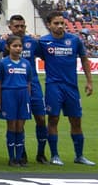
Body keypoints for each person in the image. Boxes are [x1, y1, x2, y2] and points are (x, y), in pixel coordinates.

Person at [38, 12, 95, 166]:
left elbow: (84, 59)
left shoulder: (74, 40)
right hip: (53, 86)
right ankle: (55, 155)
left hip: (71, 87)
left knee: (76, 120)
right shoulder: (43, 42)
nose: (60, 26)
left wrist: (89, 82)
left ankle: (79, 156)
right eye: (56, 23)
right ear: (49, 25)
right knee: (53, 119)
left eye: (62, 23)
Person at [0, 14, 50, 163]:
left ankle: (41, 153)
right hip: (12, 89)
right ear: (10, 27)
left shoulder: (33, 41)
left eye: (22, 26)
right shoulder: (4, 42)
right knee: (17, 122)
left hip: (32, 85)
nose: (20, 29)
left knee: (41, 119)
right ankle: (20, 153)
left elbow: (47, 56)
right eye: (16, 26)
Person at [0, 34, 33, 167]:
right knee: (11, 126)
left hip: (23, 96)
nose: (18, 48)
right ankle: (12, 158)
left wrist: (28, 98)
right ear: (8, 47)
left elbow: (28, 82)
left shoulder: (26, 63)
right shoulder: (3, 63)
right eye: (15, 46)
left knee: (20, 127)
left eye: (20, 46)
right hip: (9, 95)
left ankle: (20, 157)